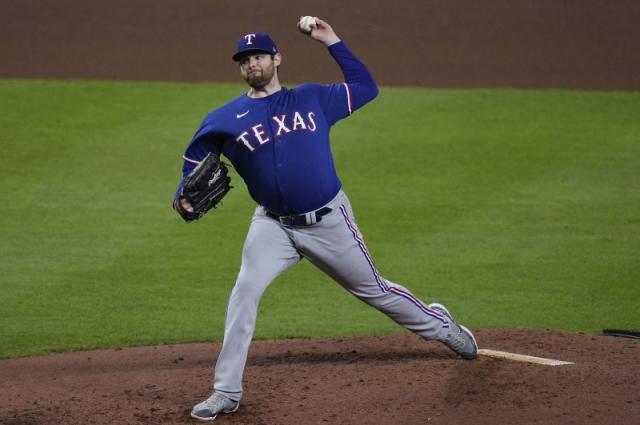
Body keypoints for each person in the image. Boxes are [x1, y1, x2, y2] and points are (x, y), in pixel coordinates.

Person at [173, 17, 478, 422]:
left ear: (277, 59)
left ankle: (441, 326)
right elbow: (193, 161)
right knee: (243, 293)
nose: (253, 64)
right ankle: (226, 392)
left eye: (259, 56)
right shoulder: (225, 118)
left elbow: (367, 88)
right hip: (272, 226)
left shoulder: (313, 98)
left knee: (375, 291)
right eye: (245, 60)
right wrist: (182, 197)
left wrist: (330, 40)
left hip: (328, 221)